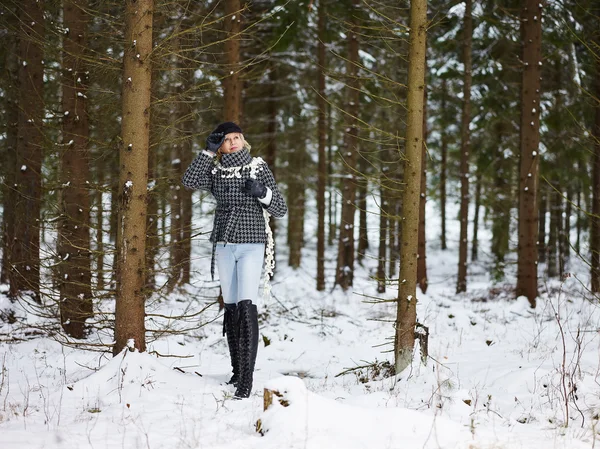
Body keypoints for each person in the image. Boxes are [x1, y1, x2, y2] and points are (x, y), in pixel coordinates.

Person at [182, 121, 287, 399]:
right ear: (221, 145)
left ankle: (247, 381)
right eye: (227, 139)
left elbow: (281, 208)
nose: (234, 142)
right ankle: (237, 371)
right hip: (225, 245)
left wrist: (262, 194)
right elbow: (189, 181)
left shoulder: (258, 167)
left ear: (244, 140)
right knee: (230, 306)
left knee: (246, 303)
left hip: (251, 244)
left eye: (237, 137)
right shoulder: (215, 170)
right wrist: (207, 152)